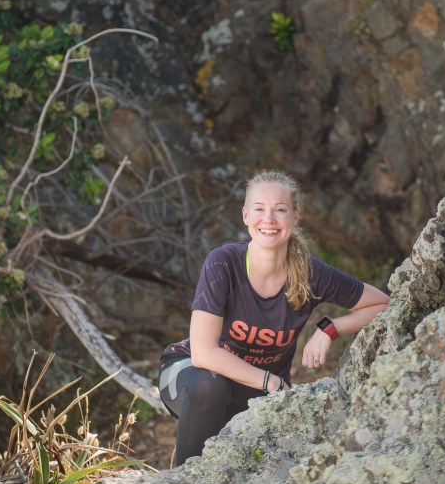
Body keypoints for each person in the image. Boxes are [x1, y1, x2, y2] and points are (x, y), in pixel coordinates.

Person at [159, 169, 390, 464]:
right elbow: (204, 353)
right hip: (189, 375)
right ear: (245, 216)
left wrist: (330, 328)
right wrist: (269, 380)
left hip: (256, 391)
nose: (268, 219)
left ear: (295, 216)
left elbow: (382, 304)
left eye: (280, 210)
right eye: (259, 209)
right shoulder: (223, 263)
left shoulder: (310, 273)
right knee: (210, 385)